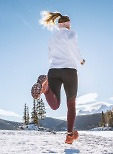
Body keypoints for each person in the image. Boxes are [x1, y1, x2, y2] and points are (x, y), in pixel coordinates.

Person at [31, 11, 85, 144]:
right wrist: (80, 60)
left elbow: (50, 57)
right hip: (69, 70)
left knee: (55, 105)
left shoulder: (52, 37)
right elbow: (73, 45)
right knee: (71, 104)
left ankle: (46, 89)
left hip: (53, 70)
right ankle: (69, 135)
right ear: (66, 24)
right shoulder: (71, 33)